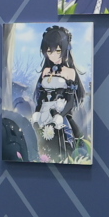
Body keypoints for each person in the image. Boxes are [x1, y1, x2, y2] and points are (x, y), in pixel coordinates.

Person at [30, 25, 85, 160]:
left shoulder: (69, 72)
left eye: (58, 50)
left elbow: (70, 101)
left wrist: (61, 115)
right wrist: (36, 113)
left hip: (60, 114)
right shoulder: (45, 71)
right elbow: (41, 97)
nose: (53, 55)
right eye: (49, 51)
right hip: (43, 114)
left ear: (66, 49)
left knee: (65, 147)